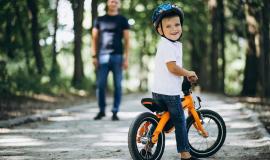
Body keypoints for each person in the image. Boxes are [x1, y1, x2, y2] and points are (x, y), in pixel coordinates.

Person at [151, 3, 199, 160]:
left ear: (181, 26)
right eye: (168, 26)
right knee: (180, 122)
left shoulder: (170, 44)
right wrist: (188, 72)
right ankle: (185, 154)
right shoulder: (168, 45)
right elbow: (172, 68)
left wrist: (184, 75)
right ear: (160, 30)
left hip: (158, 91)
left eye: (177, 24)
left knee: (164, 119)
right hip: (169, 93)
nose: (174, 29)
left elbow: (174, 67)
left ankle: (147, 145)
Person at [91, 0, 130, 121]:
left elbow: (127, 40)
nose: (114, 3)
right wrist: (94, 56)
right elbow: (94, 39)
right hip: (102, 56)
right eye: (112, 1)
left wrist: (126, 58)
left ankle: (115, 111)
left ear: (119, 4)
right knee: (100, 85)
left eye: (116, 1)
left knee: (118, 86)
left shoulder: (123, 20)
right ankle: (101, 110)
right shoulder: (100, 20)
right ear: (108, 3)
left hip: (118, 57)